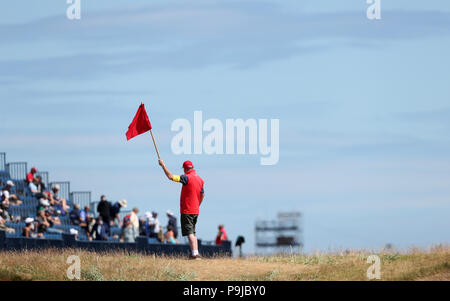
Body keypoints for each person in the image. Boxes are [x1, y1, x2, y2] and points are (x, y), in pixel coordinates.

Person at [158, 159, 205, 260]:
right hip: (195, 210)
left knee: (189, 233)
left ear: (185, 169)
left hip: (187, 210)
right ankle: (194, 253)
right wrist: (198, 204)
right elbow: (202, 194)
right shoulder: (200, 180)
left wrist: (163, 165)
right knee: (193, 232)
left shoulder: (186, 177)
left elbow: (171, 177)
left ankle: (195, 254)